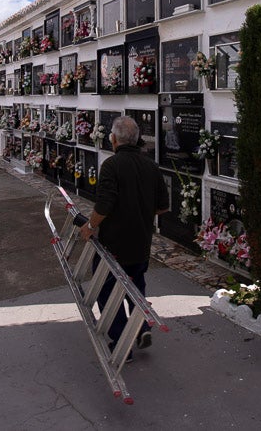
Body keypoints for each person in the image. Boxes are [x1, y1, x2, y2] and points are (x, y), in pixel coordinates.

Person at [79, 116, 168, 359]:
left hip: (114, 243)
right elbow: (163, 207)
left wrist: (90, 226)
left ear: (114, 139)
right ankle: (142, 327)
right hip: (141, 241)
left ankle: (121, 343)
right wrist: (141, 209)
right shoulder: (151, 166)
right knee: (135, 285)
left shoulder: (112, 165)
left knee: (108, 291)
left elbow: (105, 205)